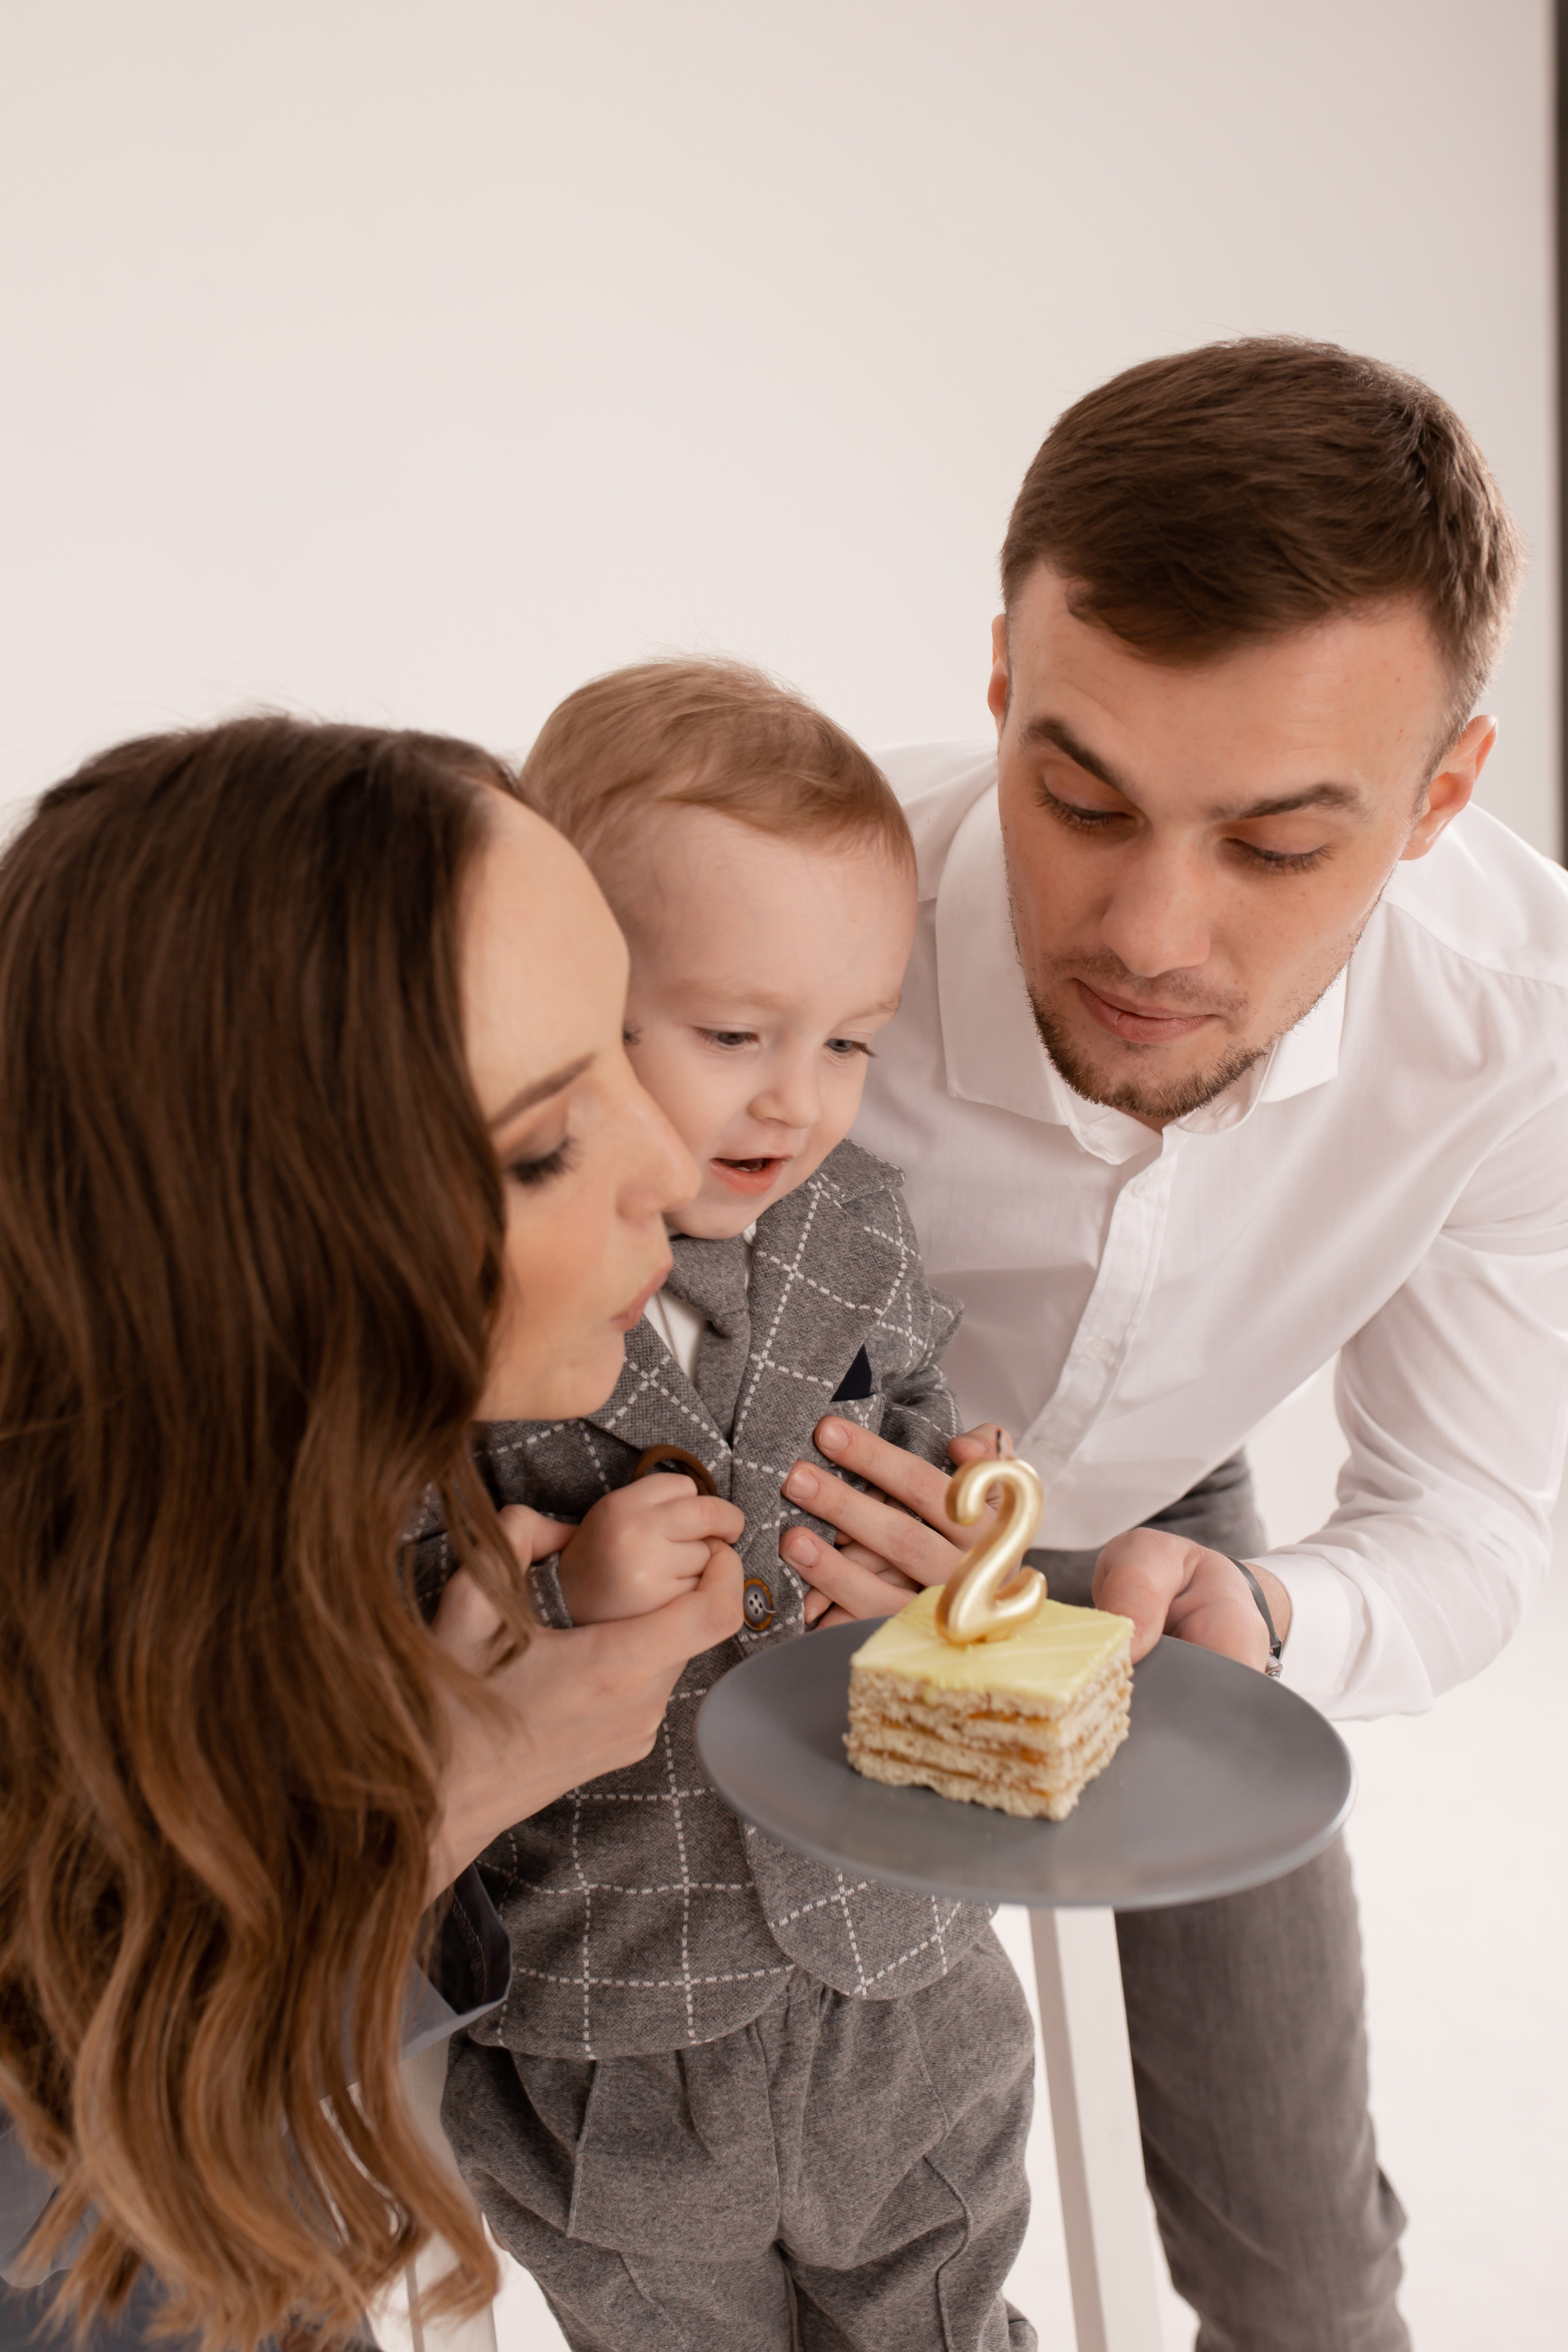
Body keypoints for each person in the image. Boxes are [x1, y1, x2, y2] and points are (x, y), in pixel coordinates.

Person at [778, 339, 1568, 2352]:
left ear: (1442, 798)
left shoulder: (1518, 1020)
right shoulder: (785, 929)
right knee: (853, 2238)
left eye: (1279, 846)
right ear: (1001, 687)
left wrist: (1269, 1616)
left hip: (1165, 1527)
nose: (1149, 933)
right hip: (785, 1534)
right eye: (1080, 797)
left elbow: (1473, 1515)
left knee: (1309, 2271)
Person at [0, 715, 744, 2351]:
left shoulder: (311, 1517)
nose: (673, 1165)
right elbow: (103, 2248)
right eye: (543, 1146)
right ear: (267, 1243)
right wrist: (430, 1815)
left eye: (625, 1044)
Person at [413, 659, 1035, 2352]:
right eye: (736, 1035)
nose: (796, 1097)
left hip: (895, 1984)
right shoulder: (460, 1280)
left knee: (950, 2310)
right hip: (617, 2013)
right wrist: (563, 1597)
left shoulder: (857, 1219)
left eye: (848, 1041)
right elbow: (393, 1605)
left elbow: (920, 1431)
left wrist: (958, 1552)